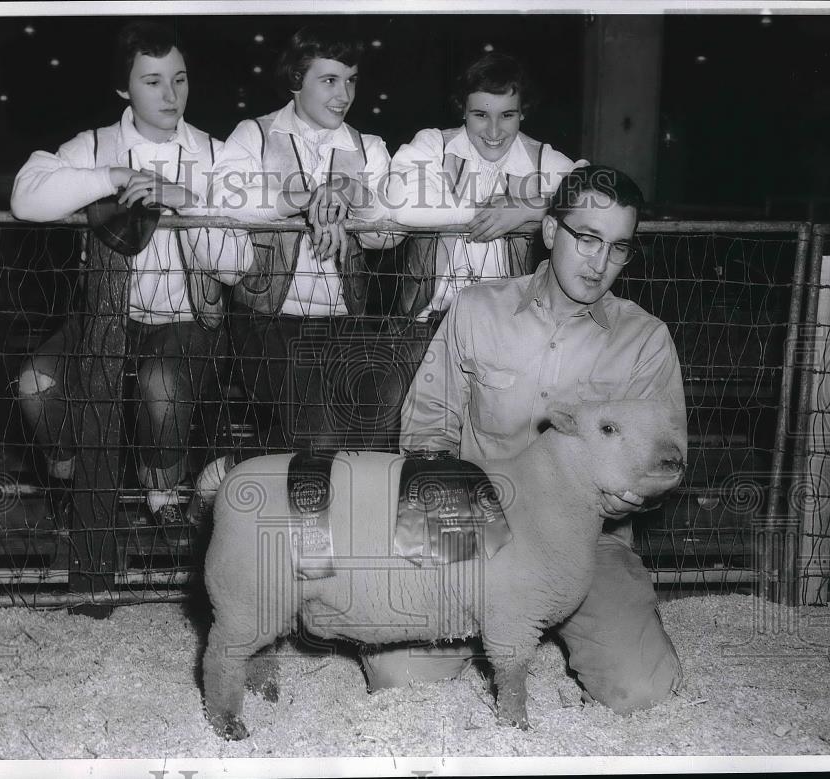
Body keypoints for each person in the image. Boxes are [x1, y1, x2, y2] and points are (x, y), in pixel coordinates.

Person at [363, 165, 687, 715]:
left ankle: (561, 625)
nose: (600, 262)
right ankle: (487, 625)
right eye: (587, 238)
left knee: (643, 692)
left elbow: (667, 459)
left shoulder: (645, 340)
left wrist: (634, 493)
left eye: (617, 247)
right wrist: (453, 520)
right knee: (399, 679)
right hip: (472, 526)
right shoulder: (476, 308)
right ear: (551, 231)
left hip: (589, 542)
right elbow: (425, 427)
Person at [11, 20, 243, 536]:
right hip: (103, 318)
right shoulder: (94, 146)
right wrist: (113, 177)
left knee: (160, 383)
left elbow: (236, 265)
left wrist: (187, 204)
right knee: (36, 383)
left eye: (179, 79)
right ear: (124, 87)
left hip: (186, 321)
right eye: (152, 81)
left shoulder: (217, 153)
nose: (170, 94)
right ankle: (74, 484)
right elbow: (25, 197)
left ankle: (162, 495)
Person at [211, 24, 397, 452]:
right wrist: (306, 197)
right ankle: (237, 477)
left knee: (381, 408)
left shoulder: (369, 146)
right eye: (329, 80)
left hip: (344, 321)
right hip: (266, 319)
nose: (344, 95)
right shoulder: (253, 134)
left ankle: (234, 472)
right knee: (321, 428)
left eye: (351, 80)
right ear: (296, 81)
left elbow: (388, 234)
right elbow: (225, 198)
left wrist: (350, 193)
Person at [382, 52, 586, 433]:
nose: (494, 130)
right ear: (462, 110)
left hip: (507, 330)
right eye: (481, 115)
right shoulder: (434, 145)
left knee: (494, 437)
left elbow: (593, 194)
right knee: (405, 430)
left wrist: (527, 207)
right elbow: (404, 204)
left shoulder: (542, 158)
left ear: (523, 112)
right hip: (426, 324)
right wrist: (491, 211)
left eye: (507, 115)